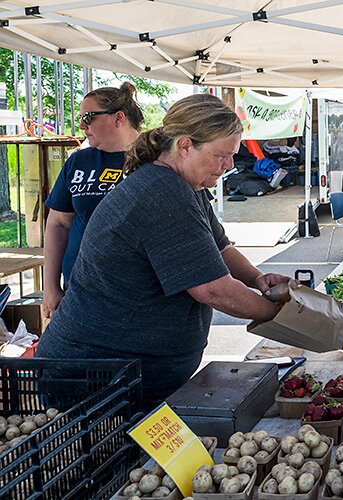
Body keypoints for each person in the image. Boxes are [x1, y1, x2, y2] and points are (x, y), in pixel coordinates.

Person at [36, 95, 291, 409]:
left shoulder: (187, 187)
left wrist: (257, 279)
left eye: (232, 156)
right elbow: (212, 290)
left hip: (130, 378)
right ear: (185, 146)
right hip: (97, 379)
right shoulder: (162, 192)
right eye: (221, 156)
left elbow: (220, 248)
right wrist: (279, 314)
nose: (229, 166)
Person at [42, 82, 143, 319]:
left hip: (135, 298)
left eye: (89, 117)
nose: (82, 125)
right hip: (78, 292)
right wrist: (51, 287)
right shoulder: (79, 162)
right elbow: (58, 224)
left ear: (119, 118)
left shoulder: (155, 160)